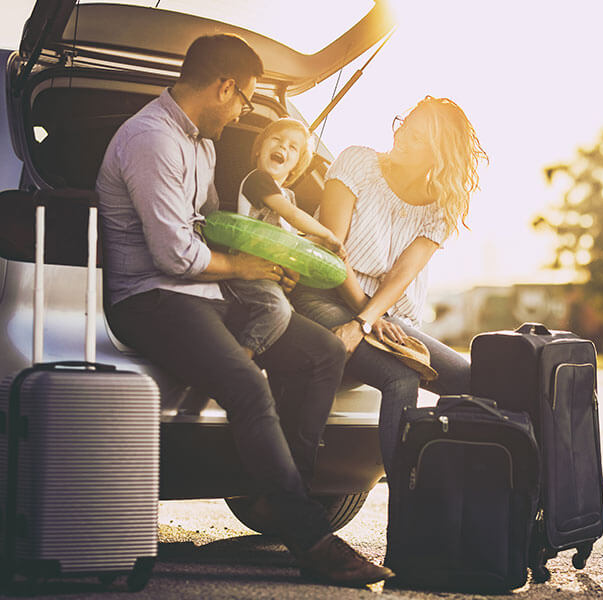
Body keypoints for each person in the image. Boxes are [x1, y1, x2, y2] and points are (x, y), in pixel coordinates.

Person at [96, 33, 392, 585]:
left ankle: (289, 501)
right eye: (243, 99)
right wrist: (251, 269)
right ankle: (312, 540)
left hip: (204, 291)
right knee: (247, 384)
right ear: (223, 86)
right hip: (152, 296)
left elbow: (211, 225)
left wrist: (282, 252)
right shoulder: (150, 139)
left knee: (323, 353)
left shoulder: (201, 144)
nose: (241, 114)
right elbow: (175, 254)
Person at [292, 96, 488, 476]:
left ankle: (463, 485)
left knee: (470, 380)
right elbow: (334, 250)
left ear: (438, 155)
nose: (401, 137)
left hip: (381, 312)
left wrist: (368, 318)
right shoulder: (357, 162)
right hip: (322, 292)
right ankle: (406, 505)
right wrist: (366, 318)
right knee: (401, 375)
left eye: (416, 138)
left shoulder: (443, 206)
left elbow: (403, 274)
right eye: (404, 126)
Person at [227, 117, 345, 359]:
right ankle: (241, 360)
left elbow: (292, 241)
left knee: (289, 316)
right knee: (277, 310)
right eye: (277, 140)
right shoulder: (258, 180)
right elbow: (291, 216)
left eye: (293, 147)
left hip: (270, 274)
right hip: (249, 269)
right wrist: (327, 235)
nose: (283, 147)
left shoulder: (288, 195)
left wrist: (322, 246)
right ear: (259, 148)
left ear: (297, 164)